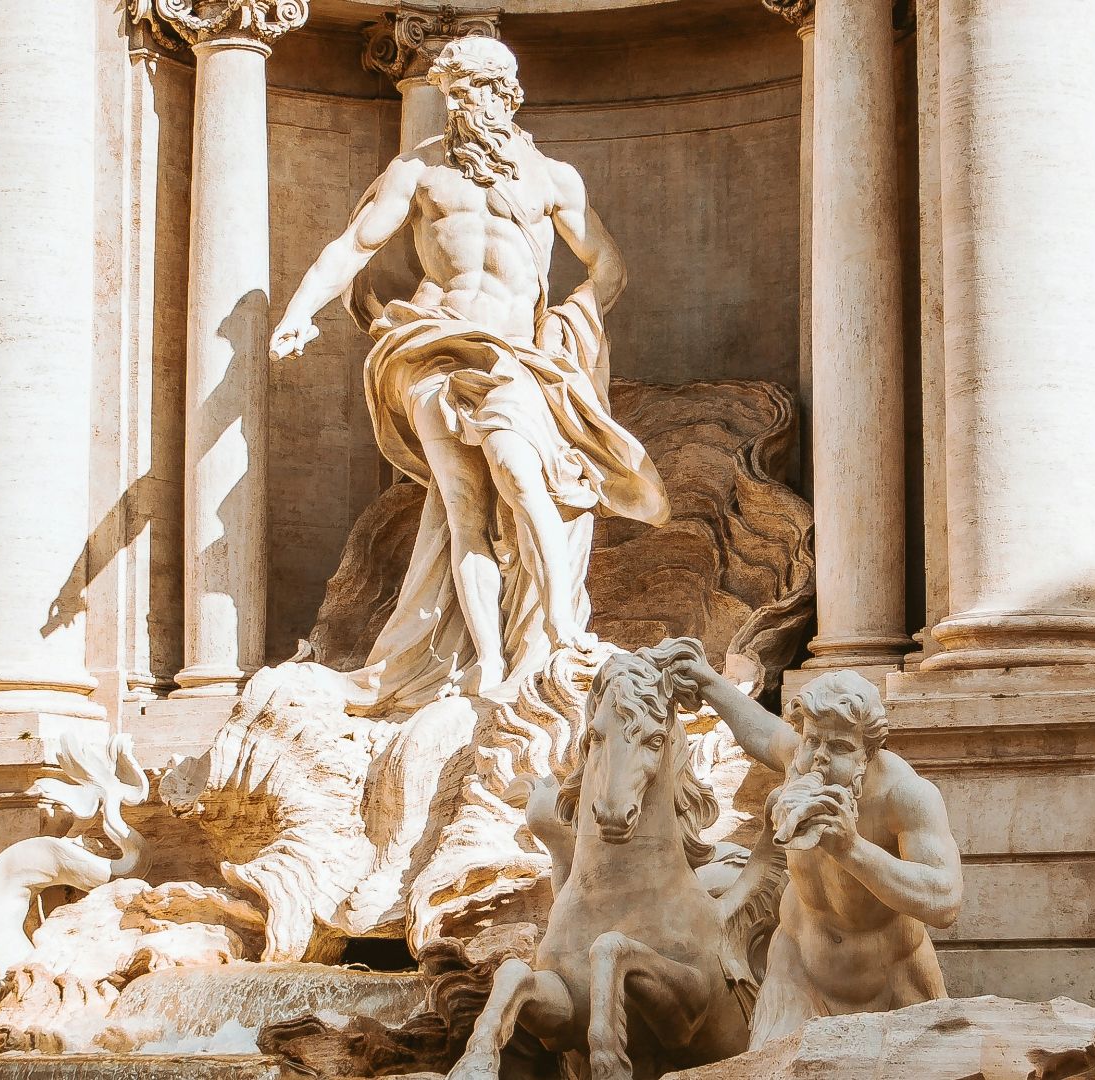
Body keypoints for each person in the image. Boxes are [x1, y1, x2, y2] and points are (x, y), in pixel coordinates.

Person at [271, 37, 667, 711]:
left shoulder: (552, 179)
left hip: (515, 355)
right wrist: (299, 310)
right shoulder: (418, 173)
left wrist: (572, 326)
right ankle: (485, 662)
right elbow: (355, 244)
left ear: (506, 93)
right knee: (465, 517)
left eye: (473, 89)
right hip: (434, 348)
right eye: (451, 91)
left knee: (520, 474)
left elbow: (608, 265)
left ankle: (562, 628)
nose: (459, 102)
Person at [674, 660, 963, 1047]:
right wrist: (709, 682)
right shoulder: (800, 759)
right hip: (798, 973)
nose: (820, 758)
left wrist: (851, 848)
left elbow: (944, 901)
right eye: (813, 740)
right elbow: (761, 730)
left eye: (840, 747)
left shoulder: (906, 795)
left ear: (869, 752)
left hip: (894, 980)